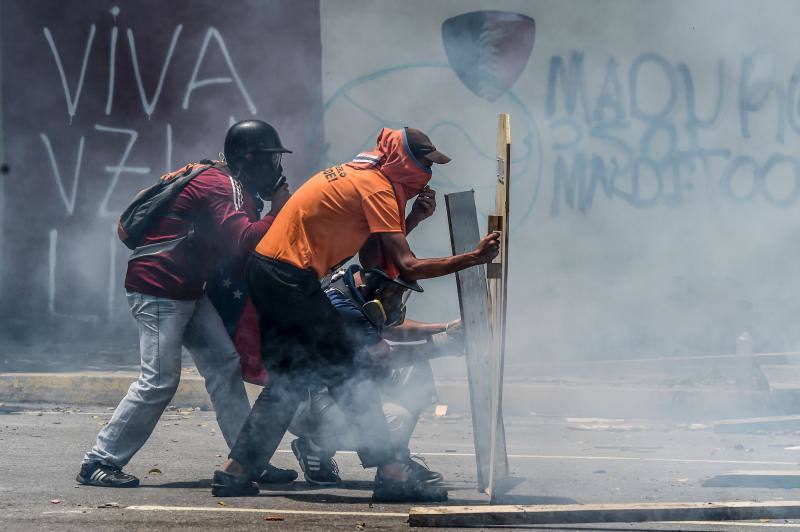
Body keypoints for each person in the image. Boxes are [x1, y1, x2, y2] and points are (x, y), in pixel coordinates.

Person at [211, 126, 500, 502]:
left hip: (271, 272)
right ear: (400, 158)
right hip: (290, 277)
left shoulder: (363, 174)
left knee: (290, 382)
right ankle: (392, 470)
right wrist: (473, 259)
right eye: (423, 163)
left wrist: (412, 219)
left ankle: (235, 472)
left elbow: (370, 255)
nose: (427, 173)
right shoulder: (377, 186)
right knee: (347, 371)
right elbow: (407, 266)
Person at [76, 120, 294, 488]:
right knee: (159, 379)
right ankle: (99, 461)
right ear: (248, 158)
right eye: (271, 160)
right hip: (160, 287)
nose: (276, 169)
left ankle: (247, 459)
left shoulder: (224, 179)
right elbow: (244, 240)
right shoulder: (221, 184)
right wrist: (279, 208)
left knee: (224, 364)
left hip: (188, 290)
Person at [288, 265, 463, 486]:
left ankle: (396, 458)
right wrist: (445, 344)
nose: (398, 300)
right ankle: (317, 446)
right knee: (396, 419)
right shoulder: (342, 308)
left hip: (329, 391)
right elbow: (385, 355)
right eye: (396, 292)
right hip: (309, 404)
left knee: (414, 370)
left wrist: (445, 327)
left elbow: (387, 328)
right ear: (376, 286)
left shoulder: (350, 287)